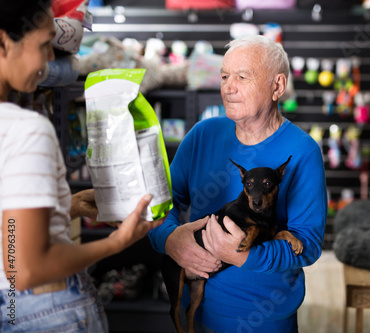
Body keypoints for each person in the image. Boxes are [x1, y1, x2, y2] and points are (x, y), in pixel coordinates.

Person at [0, 1, 164, 332]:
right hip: (45, 310)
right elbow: (24, 268)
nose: (50, 59)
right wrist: (117, 244)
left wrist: (67, 206)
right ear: (4, 43)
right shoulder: (25, 129)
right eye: (44, 43)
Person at [149, 35, 327, 332]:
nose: (228, 88)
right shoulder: (202, 134)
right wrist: (169, 240)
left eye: (242, 77)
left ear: (278, 87)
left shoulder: (304, 151)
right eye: (224, 77)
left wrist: (243, 255)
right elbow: (158, 205)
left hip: (264, 319)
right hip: (193, 315)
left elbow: (307, 245)